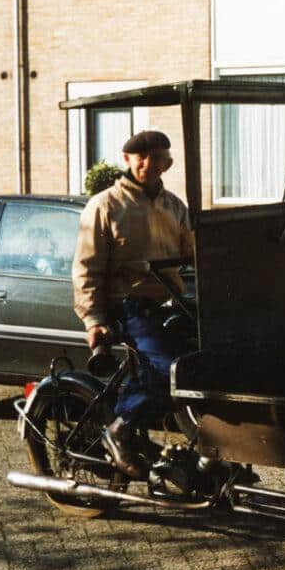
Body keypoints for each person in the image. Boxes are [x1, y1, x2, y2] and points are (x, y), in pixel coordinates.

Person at [72, 130, 195, 479]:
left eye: (156, 158)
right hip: (128, 306)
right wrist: (93, 319)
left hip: (170, 305)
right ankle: (120, 430)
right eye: (140, 157)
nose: (148, 163)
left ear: (166, 164)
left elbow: (192, 251)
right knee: (167, 369)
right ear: (126, 160)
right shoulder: (105, 205)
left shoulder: (174, 205)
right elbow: (86, 266)